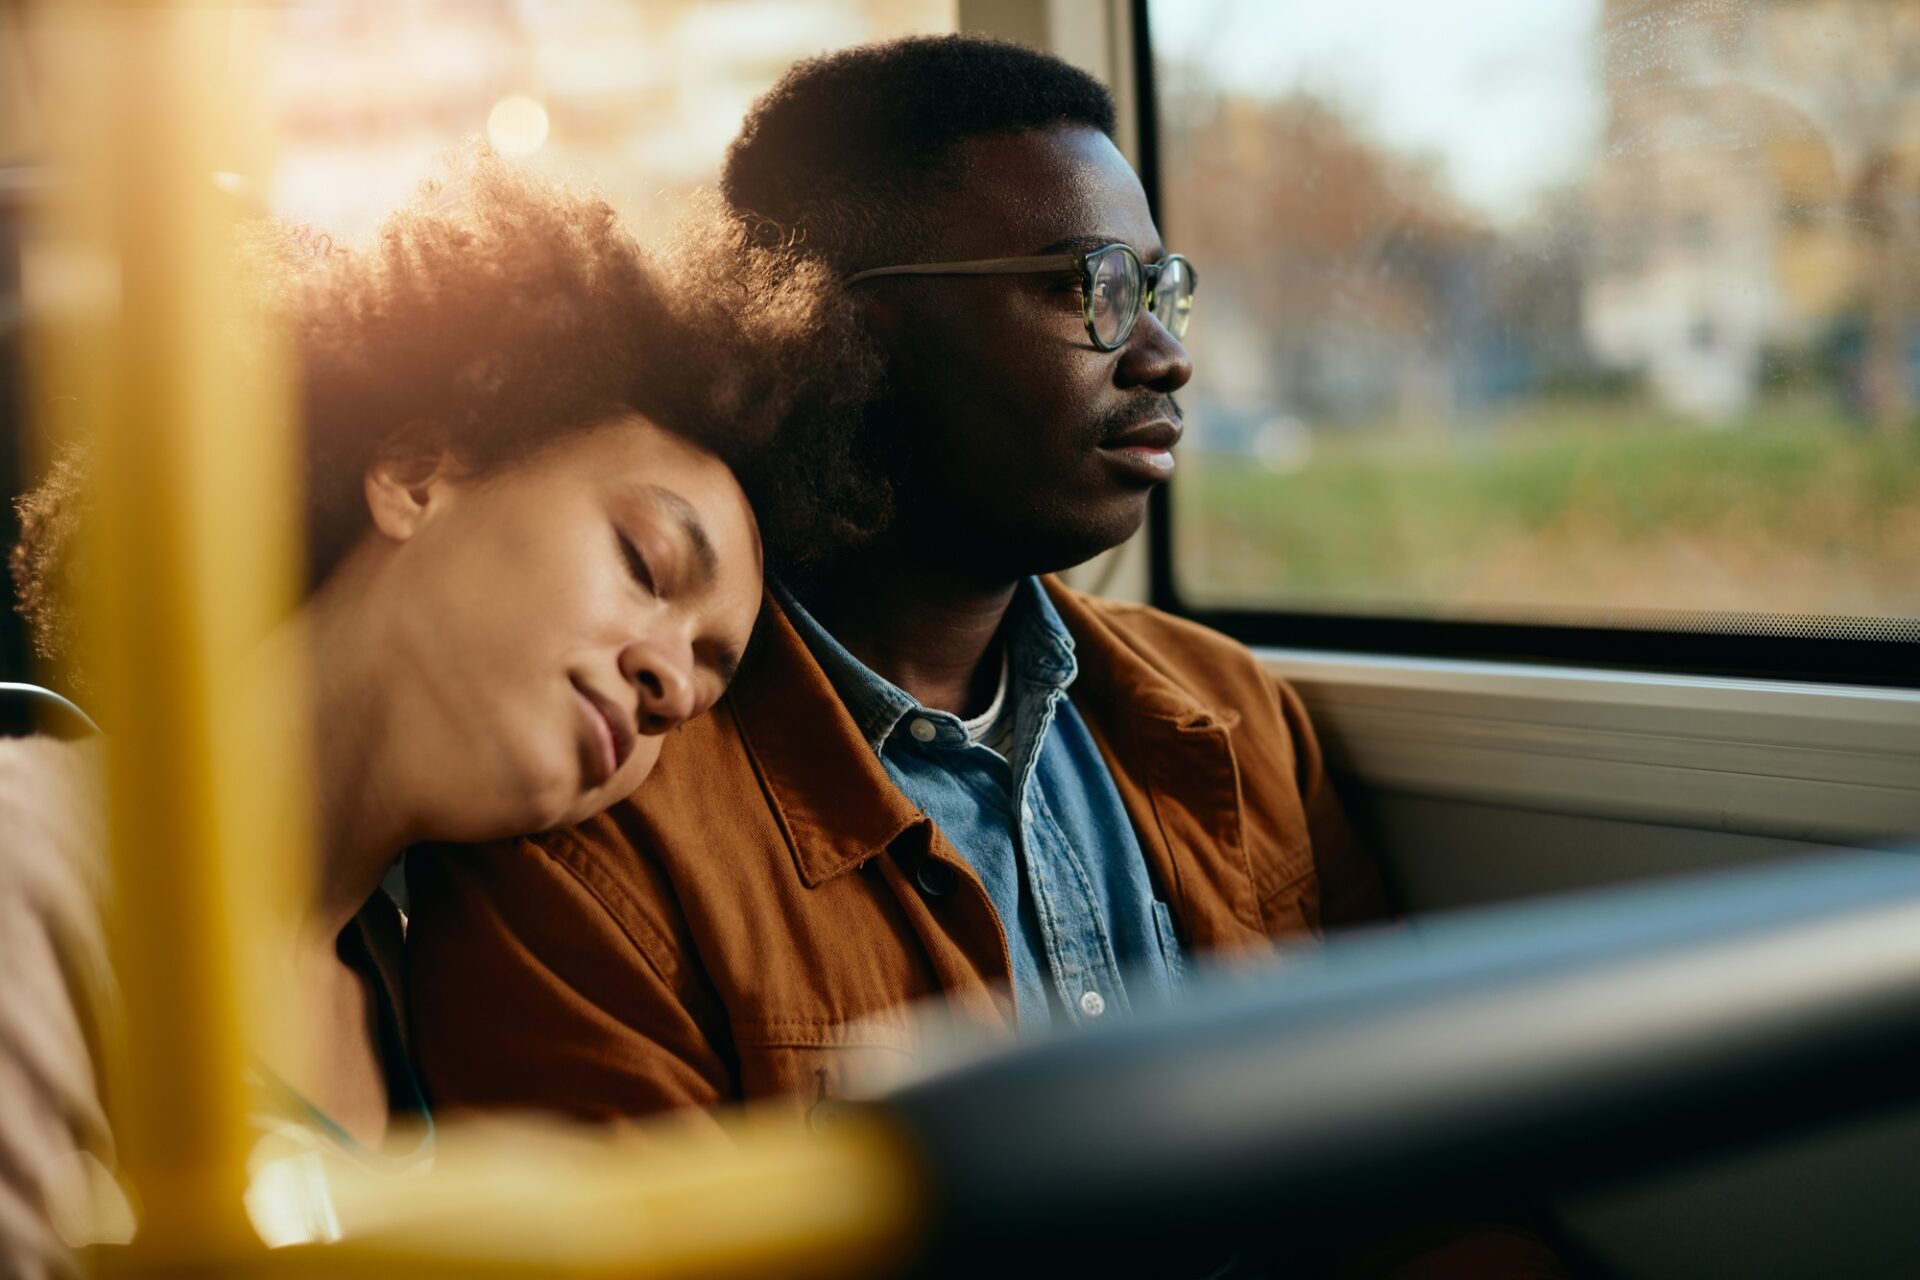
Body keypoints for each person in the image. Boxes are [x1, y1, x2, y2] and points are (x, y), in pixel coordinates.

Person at [405, 40, 1568, 1275]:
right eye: (1087, 287)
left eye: (1159, 287)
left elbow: (1419, 1186)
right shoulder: (599, 835)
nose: (1164, 354)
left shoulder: (1232, 717)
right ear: (843, 326)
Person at [1, 148, 819, 1266]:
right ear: (418, 475)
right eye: (644, 560)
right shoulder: (30, 859)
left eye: (707, 675)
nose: (672, 682)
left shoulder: (432, 990)